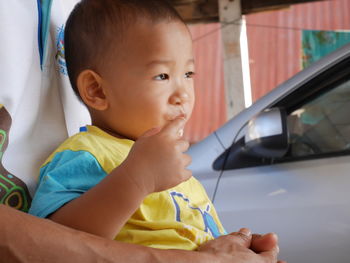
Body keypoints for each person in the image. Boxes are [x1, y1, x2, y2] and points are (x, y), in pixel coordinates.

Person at [0, 1, 284, 262]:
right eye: (162, 76)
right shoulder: (87, 153)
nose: (182, 94)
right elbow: (58, 241)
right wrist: (137, 179)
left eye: (188, 74)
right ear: (97, 90)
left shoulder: (167, 159)